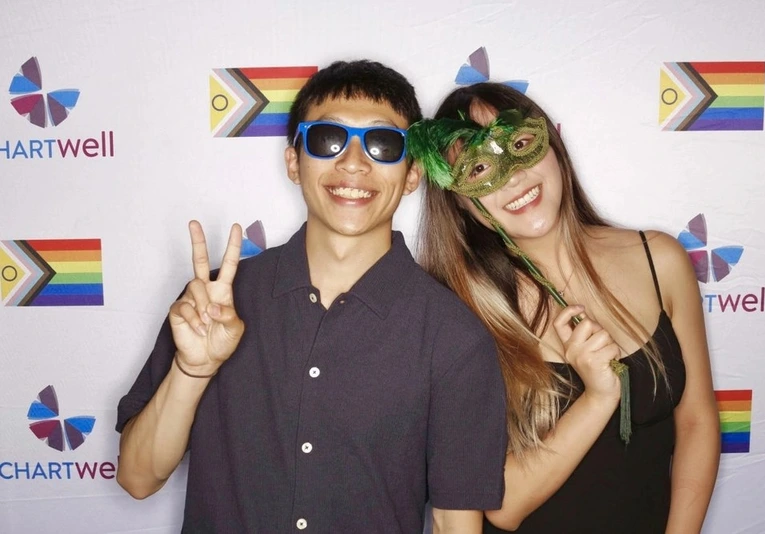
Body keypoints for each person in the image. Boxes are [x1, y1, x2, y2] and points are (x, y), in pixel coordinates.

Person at [115, 60, 508, 533]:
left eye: (383, 144)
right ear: (293, 162)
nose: (353, 164)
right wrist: (192, 369)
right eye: (329, 139)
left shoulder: (454, 338)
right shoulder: (216, 303)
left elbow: (454, 524)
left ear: (412, 175)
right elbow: (137, 478)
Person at [410, 82, 720, 533]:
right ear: (460, 201)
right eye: (480, 168)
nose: (513, 176)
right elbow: (503, 504)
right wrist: (596, 398)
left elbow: (696, 420)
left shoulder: (661, 260)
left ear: (551, 145)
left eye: (519, 145)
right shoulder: (454, 310)